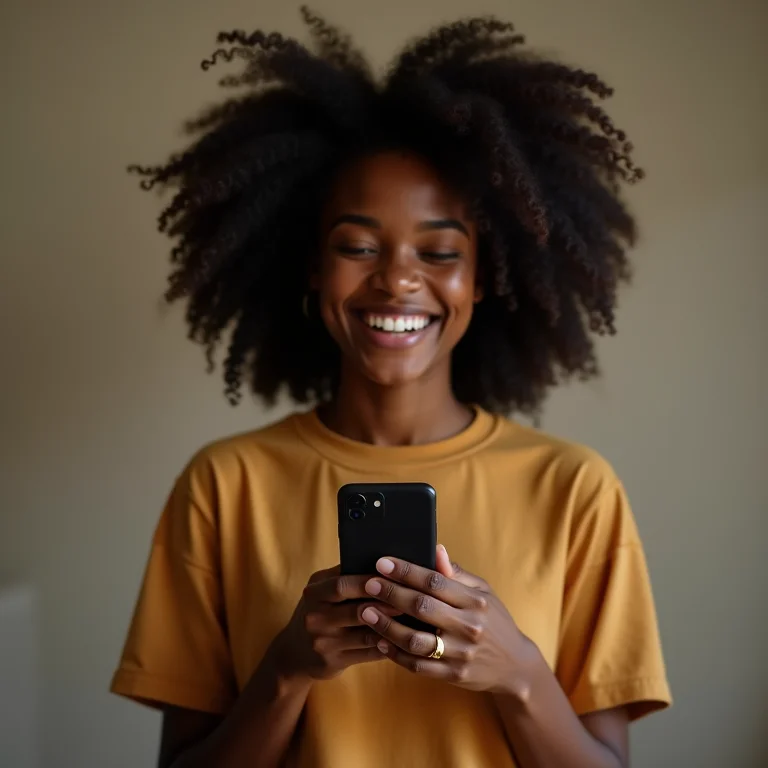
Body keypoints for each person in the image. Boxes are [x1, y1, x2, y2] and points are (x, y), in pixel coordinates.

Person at [110, 9, 671, 768]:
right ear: (311, 267)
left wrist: (519, 675)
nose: (398, 278)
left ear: (485, 277)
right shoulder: (224, 484)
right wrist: (287, 671)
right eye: (358, 246)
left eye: (440, 251)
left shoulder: (575, 489)